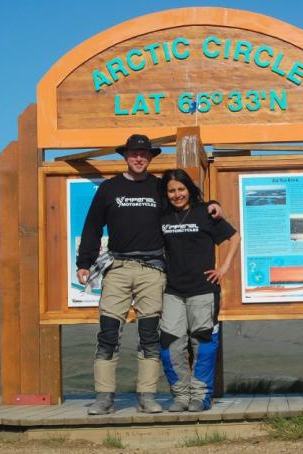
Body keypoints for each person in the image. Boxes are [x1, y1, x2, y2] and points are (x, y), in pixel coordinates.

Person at [75, 134, 221, 415]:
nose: (138, 158)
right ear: (125, 156)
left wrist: (214, 205)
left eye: (144, 154)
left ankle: (147, 396)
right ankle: (104, 397)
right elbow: (92, 225)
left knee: (150, 336)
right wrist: (84, 262)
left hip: (153, 270)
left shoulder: (158, 187)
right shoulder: (109, 188)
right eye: (133, 153)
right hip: (117, 269)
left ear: (151, 157)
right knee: (107, 334)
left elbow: (186, 202)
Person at [158, 169, 240, 412]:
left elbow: (234, 237)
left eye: (181, 189)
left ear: (189, 189)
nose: (176, 194)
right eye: (171, 190)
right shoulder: (162, 216)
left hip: (203, 290)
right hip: (172, 291)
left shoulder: (205, 213)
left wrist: (223, 268)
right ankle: (181, 396)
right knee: (169, 345)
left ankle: (201, 397)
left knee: (203, 344)